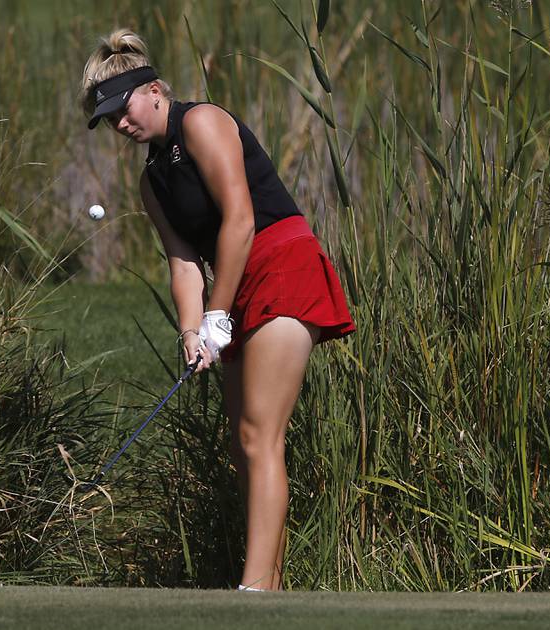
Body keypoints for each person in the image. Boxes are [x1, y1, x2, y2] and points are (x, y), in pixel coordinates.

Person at [80, 29, 355, 591]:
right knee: (241, 446)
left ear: (153, 89)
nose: (120, 125)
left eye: (122, 108)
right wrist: (191, 328)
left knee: (259, 434)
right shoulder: (151, 182)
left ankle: (251, 593)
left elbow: (241, 220)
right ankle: (271, 588)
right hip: (234, 286)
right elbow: (183, 264)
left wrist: (218, 312)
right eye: (108, 119)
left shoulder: (201, 121)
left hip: (281, 262)